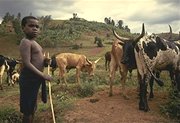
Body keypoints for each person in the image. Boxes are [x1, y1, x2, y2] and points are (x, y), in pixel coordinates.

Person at [19, 16, 52, 123]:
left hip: (34, 79)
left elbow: (37, 59)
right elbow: (27, 63)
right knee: (28, 109)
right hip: (29, 79)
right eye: (31, 25)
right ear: (23, 27)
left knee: (32, 105)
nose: (35, 28)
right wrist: (43, 75)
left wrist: (45, 61)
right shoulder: (26, 42)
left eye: (37, 26)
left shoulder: (35, 43)